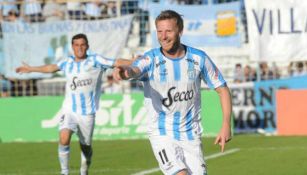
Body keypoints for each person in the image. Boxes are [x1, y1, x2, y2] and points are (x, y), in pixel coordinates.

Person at [113, 10, 232, 175]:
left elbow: (223, 89)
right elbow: (134, 70)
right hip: (162, 134)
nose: (163, 36)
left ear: (180, 32)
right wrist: (123, 72)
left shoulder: (199, 59)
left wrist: (226, 124)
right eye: (159, 31)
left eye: (168, 31)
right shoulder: (151, 59)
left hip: (191, 135)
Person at [16, 33, 131, 175]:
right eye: (76, 45)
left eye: (82, 45)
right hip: (69, 110)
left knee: (86, 148)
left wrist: (133, 62)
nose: (80, 48)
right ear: (72, 47)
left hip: (87, 114)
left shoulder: (95, 60)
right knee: (64, 137)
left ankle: (85, 167)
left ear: (87, 46)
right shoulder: (67, 62)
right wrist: (31, 69)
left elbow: (116, 62)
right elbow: (51, 68)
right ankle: (64, 172)